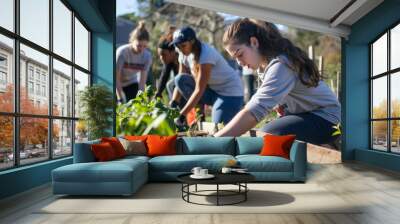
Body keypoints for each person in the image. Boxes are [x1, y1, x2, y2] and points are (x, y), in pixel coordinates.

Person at [214, 18, 341, 145]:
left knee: (270, 134)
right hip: (308, 115)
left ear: (254, 42)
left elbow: (255, 110)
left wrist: (217, 140)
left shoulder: (282, 64)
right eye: (234, 58)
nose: (239, 63)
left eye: (240, 54)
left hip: (328, 120)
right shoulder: (264, 66)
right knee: (268, 132)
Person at [170, 26, 244, 127]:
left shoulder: (205, 54)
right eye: (178, 46)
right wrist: (173, 104)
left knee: (218, 129)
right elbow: (179, 82)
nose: (181, 49)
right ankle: (200, 116)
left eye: (183, 45)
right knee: (180, 79)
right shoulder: (182, 53)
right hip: (212, 91)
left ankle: (208, 114)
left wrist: (182, 115)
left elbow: (199, 89)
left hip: (230, 93)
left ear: (192, 41)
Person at [116, 21, 152, 103]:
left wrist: (141, 99)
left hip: (131, 82)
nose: (141, 49)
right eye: (139, 46)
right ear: (132, 41)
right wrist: (120, 98)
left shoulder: (147, 56)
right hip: (116, 83)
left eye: (145, 46)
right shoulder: (122, 52)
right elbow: (116, 77)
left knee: (134, 104)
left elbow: (142, 82)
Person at [155, 26, 179, 100]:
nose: (161, 58)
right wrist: (158, 93)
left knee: (171, 85)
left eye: (164, 55)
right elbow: (164, 76)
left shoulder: (182, 59)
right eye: (160, 55)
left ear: (173, 53)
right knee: (171, 85)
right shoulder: (169, 61)